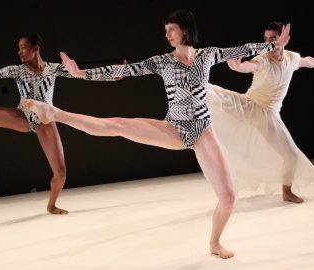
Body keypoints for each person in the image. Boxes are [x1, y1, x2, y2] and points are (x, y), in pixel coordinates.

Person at [22, 10, 290, 258]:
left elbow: (244, 48)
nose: (166, 35)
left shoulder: (208, 55)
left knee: (229, 198)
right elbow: (125, 69)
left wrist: (274, 46)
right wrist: (82, 73)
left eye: (170, 29)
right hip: (173, 128)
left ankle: (214, 243)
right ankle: (54, 113)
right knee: (116, 124)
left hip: (203, 131)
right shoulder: (162, 61)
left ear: (184, 30)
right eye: (165, 30)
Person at [0, 33, 116, 214]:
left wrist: (114, 76)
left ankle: (51, 205)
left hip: (45, 120)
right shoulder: (18, 70)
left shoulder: (53, 68)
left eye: (23, 48)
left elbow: (83, 74)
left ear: (36, 49)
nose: (19, 52)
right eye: (19, 49)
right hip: (23, 116)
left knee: (61, 173)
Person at [206, 21, 314, 203]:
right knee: (211, 94)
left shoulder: (292, 58)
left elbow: (309, 62)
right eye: (266, 39)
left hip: (269, 115)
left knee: (290, 155)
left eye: (273, 39)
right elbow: (249, 66)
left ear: (285, 38)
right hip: (249, 106)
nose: (269, 43)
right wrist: (238, 67)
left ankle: (287, 192)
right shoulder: (263, 59)